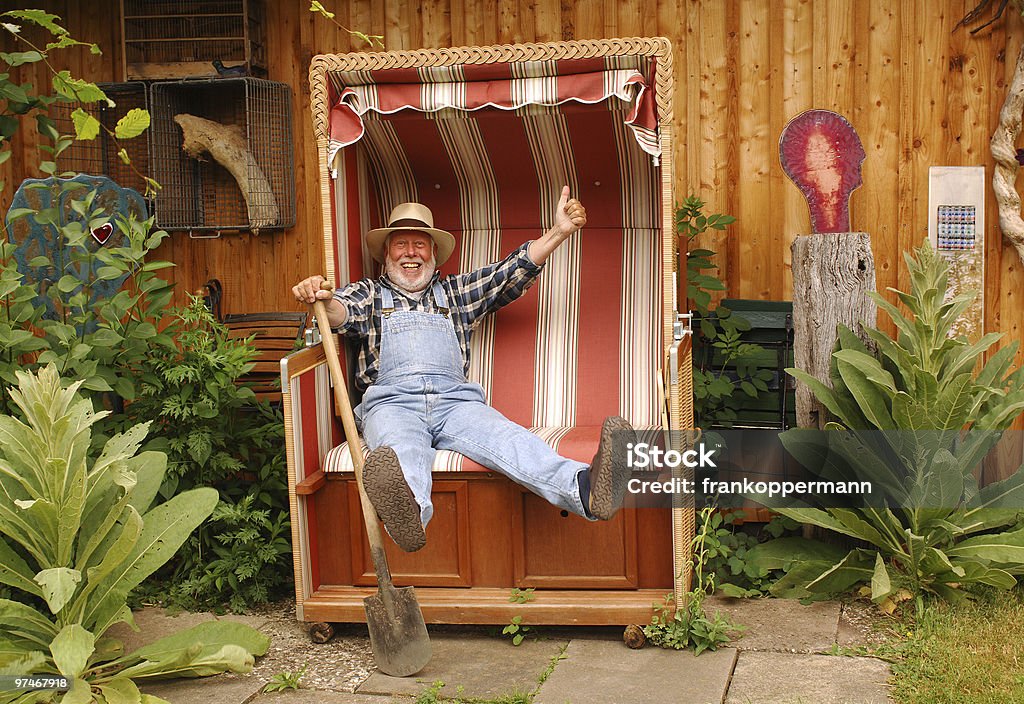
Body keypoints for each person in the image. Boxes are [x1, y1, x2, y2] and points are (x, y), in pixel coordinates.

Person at [292, 187, 635, 552]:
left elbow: (508, 272)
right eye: (401, 244)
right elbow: (340, 311)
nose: (411, 253)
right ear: (386, 254)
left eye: (420, 244)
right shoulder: (369, 294)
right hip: (392, 404)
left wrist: (559, 233)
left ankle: (586, 490)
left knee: (510, 440)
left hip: (457, 404)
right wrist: (322, 298)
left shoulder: (455, 293)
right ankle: (407, 517)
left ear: (434, 254)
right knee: (401, 450)